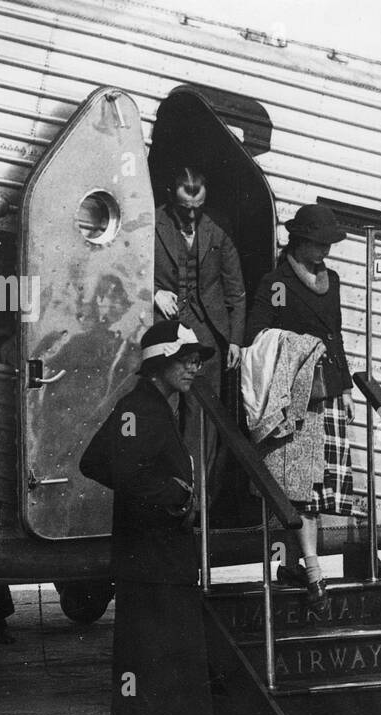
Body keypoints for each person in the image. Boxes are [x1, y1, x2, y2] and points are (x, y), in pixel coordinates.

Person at [79, 321, 218, 715]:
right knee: (140, 672)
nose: (194, 367)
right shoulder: (140, 409)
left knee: (156, 671)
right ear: (159, 362)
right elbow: (107, 465)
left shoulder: (155, 407)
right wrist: (173, 496)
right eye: (185, 359)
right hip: (149, 566)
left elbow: (100, 462)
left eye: (198, 359)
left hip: (160, 564)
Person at [245, 204, 354, 614]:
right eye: (317, 244)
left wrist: (345, 390)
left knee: (319, 488)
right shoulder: (277, 282)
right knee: (300, 490)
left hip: (328, 390)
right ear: (299, 240)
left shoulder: (334, 281)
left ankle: (298, 567)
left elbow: (336, 335)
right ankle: (311, 572)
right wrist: (300, 348)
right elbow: (258, 333)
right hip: (297, 396)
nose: (324, 252)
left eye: (327, 245)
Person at [153, 167, 246, 481]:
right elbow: (122, 271)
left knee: (202, 420)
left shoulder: (219, 229)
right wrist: (154, 293)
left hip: (207, 335)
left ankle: (194, 501)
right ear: (170, 197)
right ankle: (163, 493)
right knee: (164, 412)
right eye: (184, 209)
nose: (191, 216)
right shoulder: (150, 222)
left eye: (198, 208)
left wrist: (234, 339)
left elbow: (236, 289)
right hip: (164, 332)